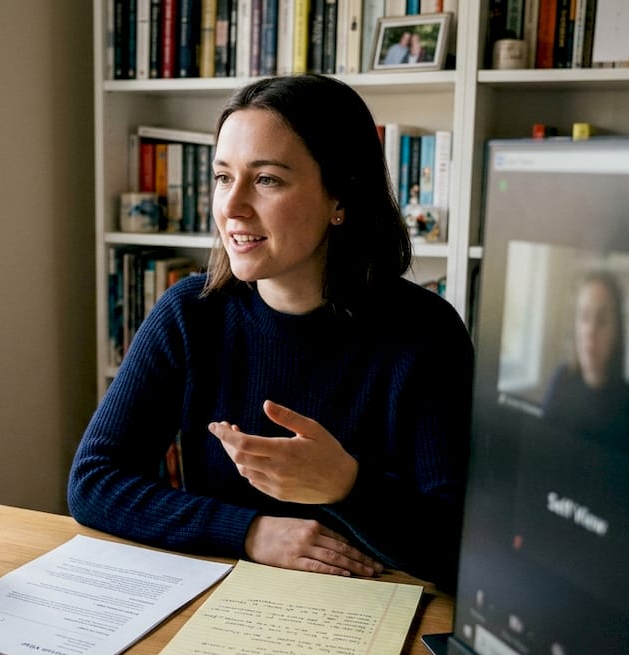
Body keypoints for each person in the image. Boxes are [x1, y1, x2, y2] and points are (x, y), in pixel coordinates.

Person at [67, 74, 474, 591]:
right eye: (222, 177)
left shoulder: (425, 334)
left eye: (266, 180)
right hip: (222, 599)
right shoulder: (190, 314)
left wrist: (345, 485)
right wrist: (251, 532)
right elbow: (95, 481)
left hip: (377, 611)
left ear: (340, 198)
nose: (231, 206)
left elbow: (458, 551)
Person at [542, 270, 629, 456]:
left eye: (602, 320)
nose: (590, 331)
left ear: (616, 332)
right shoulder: (560, 381)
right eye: (584, 316)